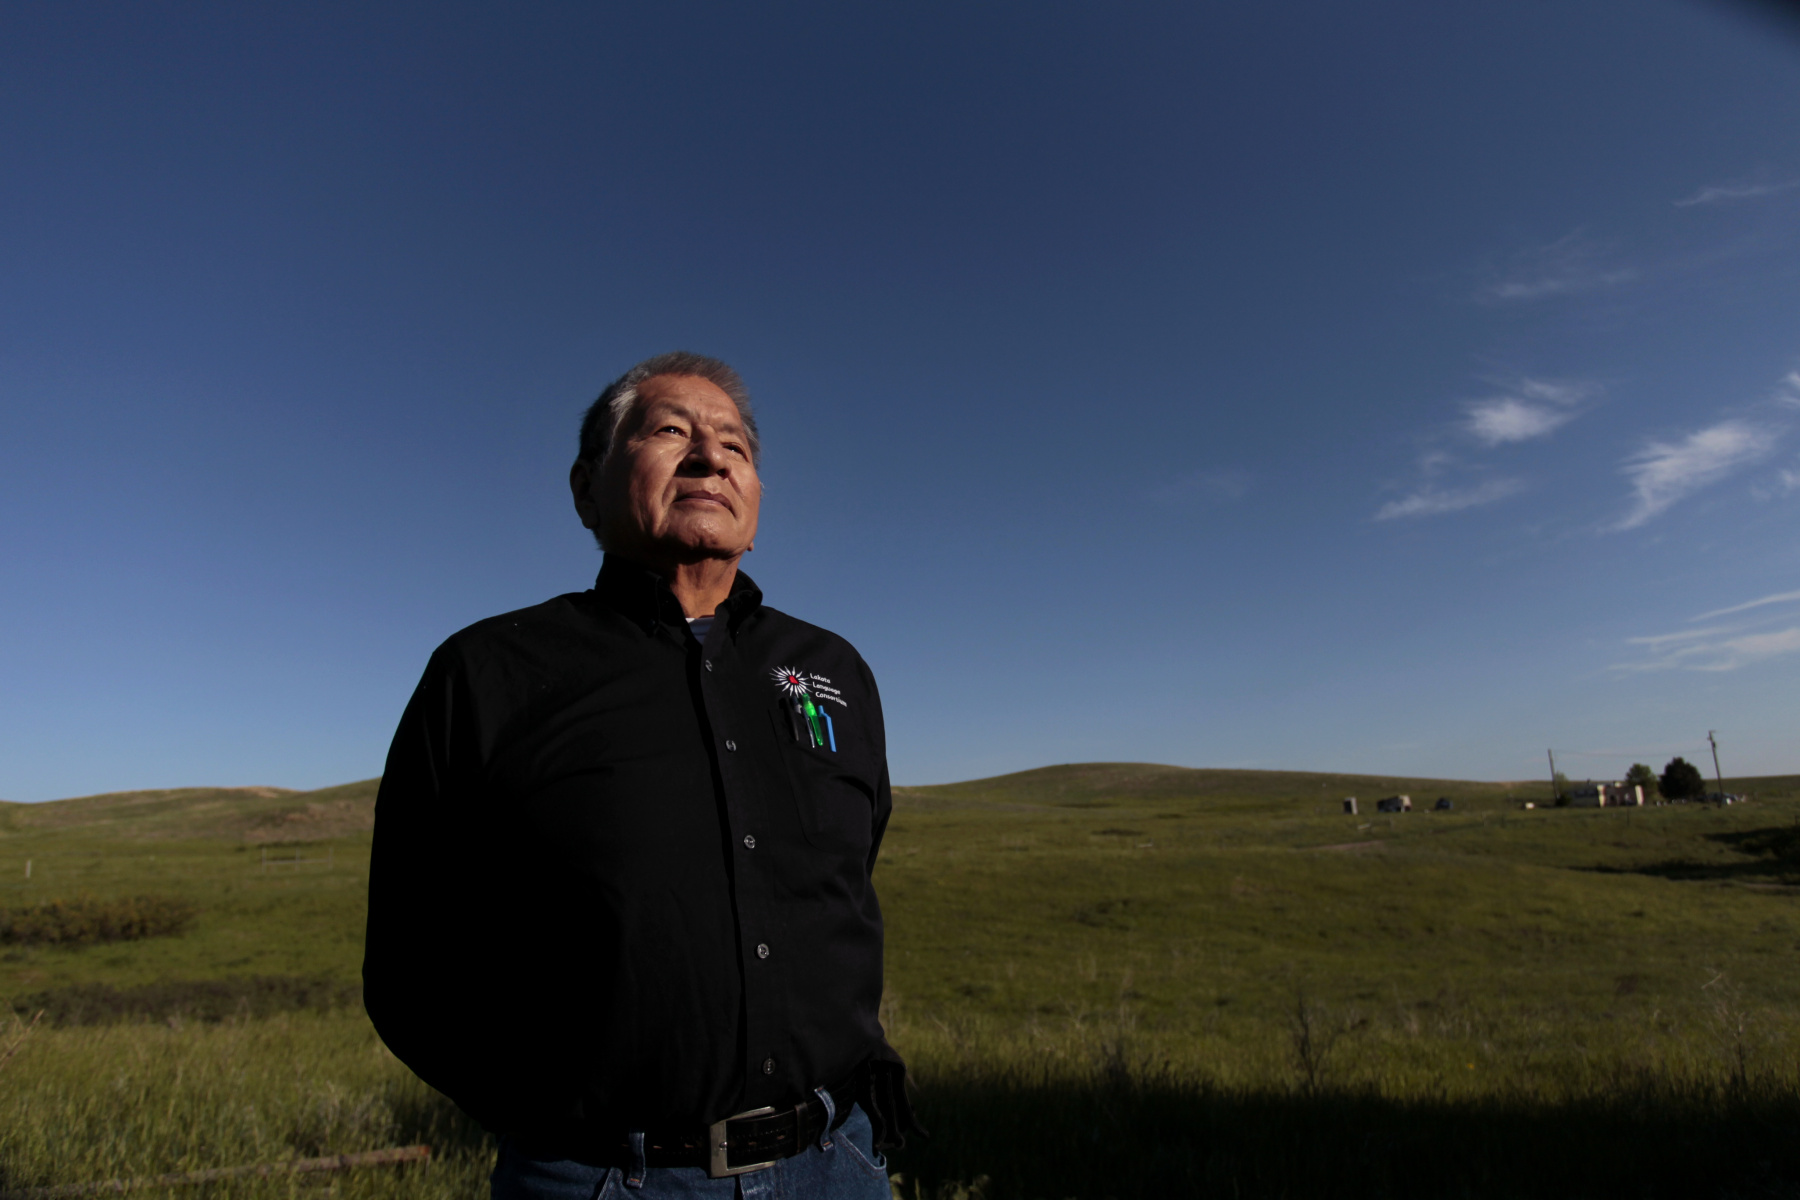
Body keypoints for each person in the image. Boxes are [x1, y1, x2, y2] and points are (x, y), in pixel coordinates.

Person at [363, 352, 917, 1200]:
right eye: (669, 431)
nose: (711, 457)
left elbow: (846, 886)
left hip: (836, 1165)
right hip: (605, 1179)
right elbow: (410, 961)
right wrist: (552, 1125)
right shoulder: (491, 673)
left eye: (735, 444)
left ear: (757, 496)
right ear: (587, 489)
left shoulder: (832, 669)